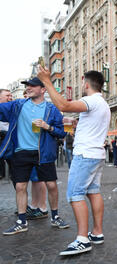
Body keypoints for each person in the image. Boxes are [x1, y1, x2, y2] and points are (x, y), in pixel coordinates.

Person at [38, 68, 111, 256]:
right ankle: (97, 232)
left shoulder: (91, 100)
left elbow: (63, 105)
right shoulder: (101, 103)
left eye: (82, 84)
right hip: (96, 154)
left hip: (85, 155)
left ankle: (82, 239)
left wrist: (46, 81)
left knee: (75, 194)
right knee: (93, 192)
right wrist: (78, 124)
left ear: (86, 84)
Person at [0, 77, 68, 235]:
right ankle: (22, 221)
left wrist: (47, 126)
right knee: (20, 186)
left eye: (32, 86)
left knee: (51, 185)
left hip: (42, 153)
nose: (28, 88)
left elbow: (62, 132)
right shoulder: (18, 105)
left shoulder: (51, 109)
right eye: (27, 86)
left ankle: (55, 216)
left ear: (42, 89)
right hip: (21, 152)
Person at [0, 89, 12, 179]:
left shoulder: (13, 107)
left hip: (8, 136)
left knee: (10, 158)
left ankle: (10, 174)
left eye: (10, 95)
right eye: (7, 96)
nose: (10, 98)